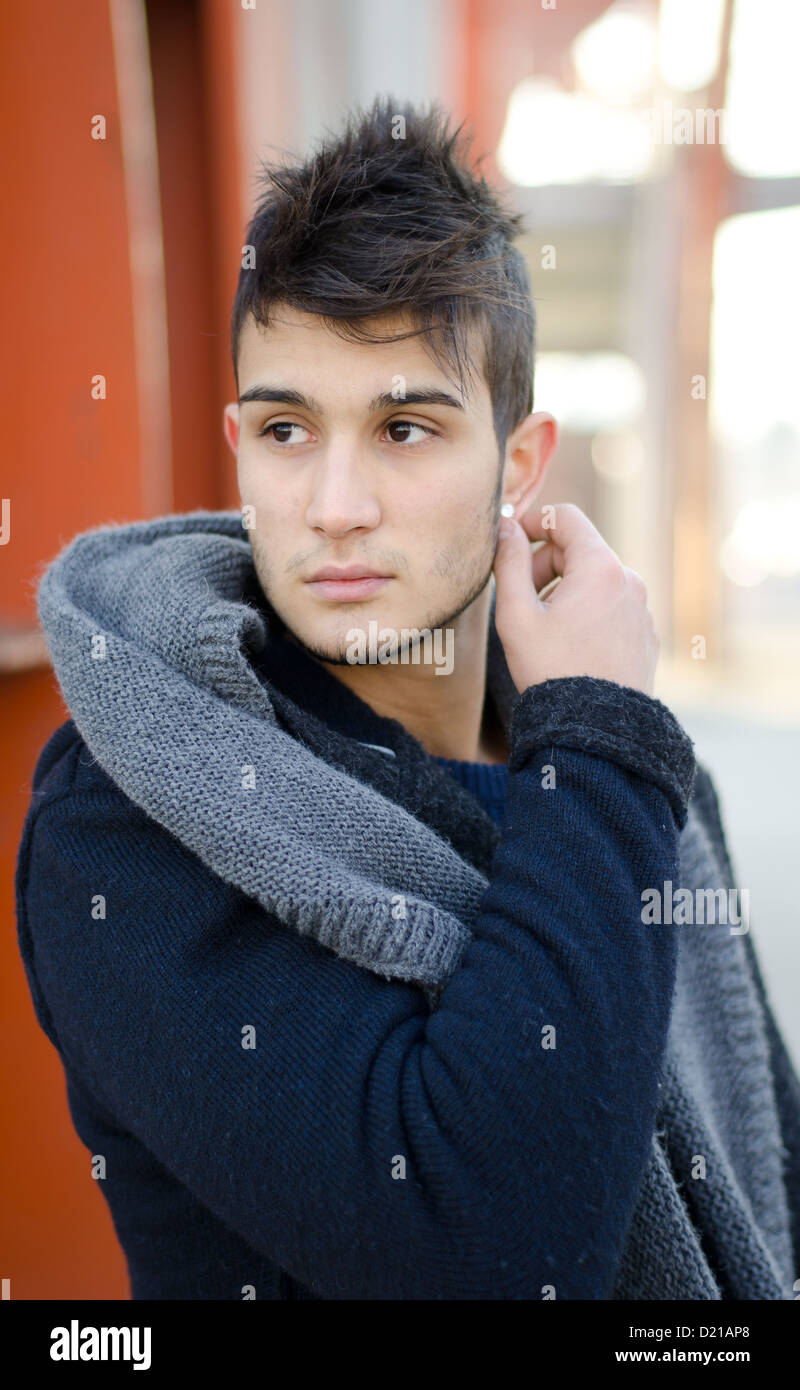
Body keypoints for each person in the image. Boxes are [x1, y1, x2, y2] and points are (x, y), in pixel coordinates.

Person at [15, 96, 800, 1300]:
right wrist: (593, 737)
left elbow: (773, 1174)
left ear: (518, 462)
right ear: (238, 444)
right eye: (287, 427)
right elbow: (487, 1254)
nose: (334, 503)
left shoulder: (644, 773)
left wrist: (597, 740)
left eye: (402, 427)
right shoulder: (127, 813)